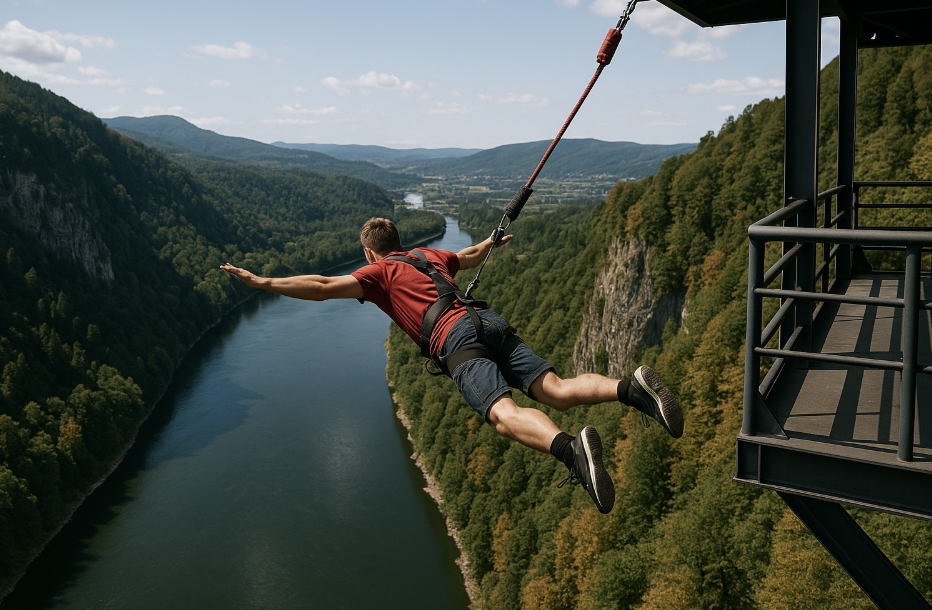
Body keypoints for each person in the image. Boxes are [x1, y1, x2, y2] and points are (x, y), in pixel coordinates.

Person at [220, 217, 683, 514]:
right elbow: (468, 256)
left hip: (455, 340)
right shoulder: (428, 255)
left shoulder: (378, 274)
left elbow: (321, 285)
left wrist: (261, 282)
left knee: (503, 417)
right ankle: (632, 388)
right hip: (487, 320)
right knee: (556, 389)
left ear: (369, 254)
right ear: (400, 242)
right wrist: (492, 240)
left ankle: (571, 452)